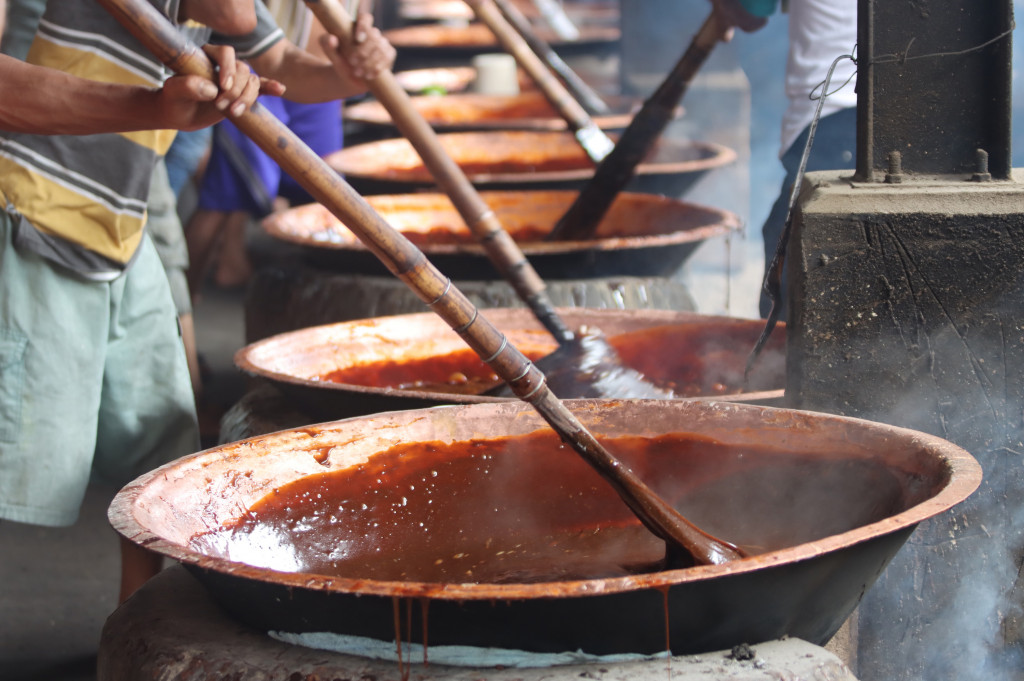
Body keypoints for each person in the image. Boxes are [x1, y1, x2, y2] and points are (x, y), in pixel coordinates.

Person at [0, 0, 394, 603]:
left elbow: (287, 60)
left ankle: (130, 632)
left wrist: (354, 71)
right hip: (32, 217)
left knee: (160, 449)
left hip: (119, 228)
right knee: (16, 466)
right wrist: (156, 106)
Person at [184, 0, 345, 295]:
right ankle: (184, 301)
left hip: (322, 76)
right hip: (258, 67)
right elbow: (265, 45)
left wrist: (350, 78)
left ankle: (309, 294)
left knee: (322, 188)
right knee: (225, 196)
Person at [733, 0, 858, 320]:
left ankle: (782, 365)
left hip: (834, 116)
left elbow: (750, 14)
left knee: (791, 262)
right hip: (904, 116)